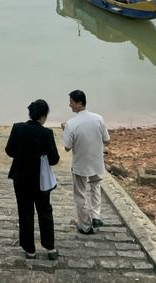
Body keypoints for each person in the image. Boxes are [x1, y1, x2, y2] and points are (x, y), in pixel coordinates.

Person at [5, 99, 60, 261]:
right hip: (40, 179)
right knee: (45, 211)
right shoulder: (46, 133)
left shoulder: (17, 128)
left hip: (20, 177)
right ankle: (50, 247)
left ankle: (30, 250)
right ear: (43, 116)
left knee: (25, 211)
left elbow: (9, 151)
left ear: (30, 113)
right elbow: (54, 159)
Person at [62, 89, 110, 235]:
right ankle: (96, 215)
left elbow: (67, 147)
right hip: (96, 161)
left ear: (79, 103)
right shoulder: (98, 118)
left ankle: (85, 224)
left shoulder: (71, 123)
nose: (69, 105)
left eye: (71, 102)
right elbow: (107, 140)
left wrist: (65, 130)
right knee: (95, 187)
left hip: (80, 163)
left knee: (80, 193)